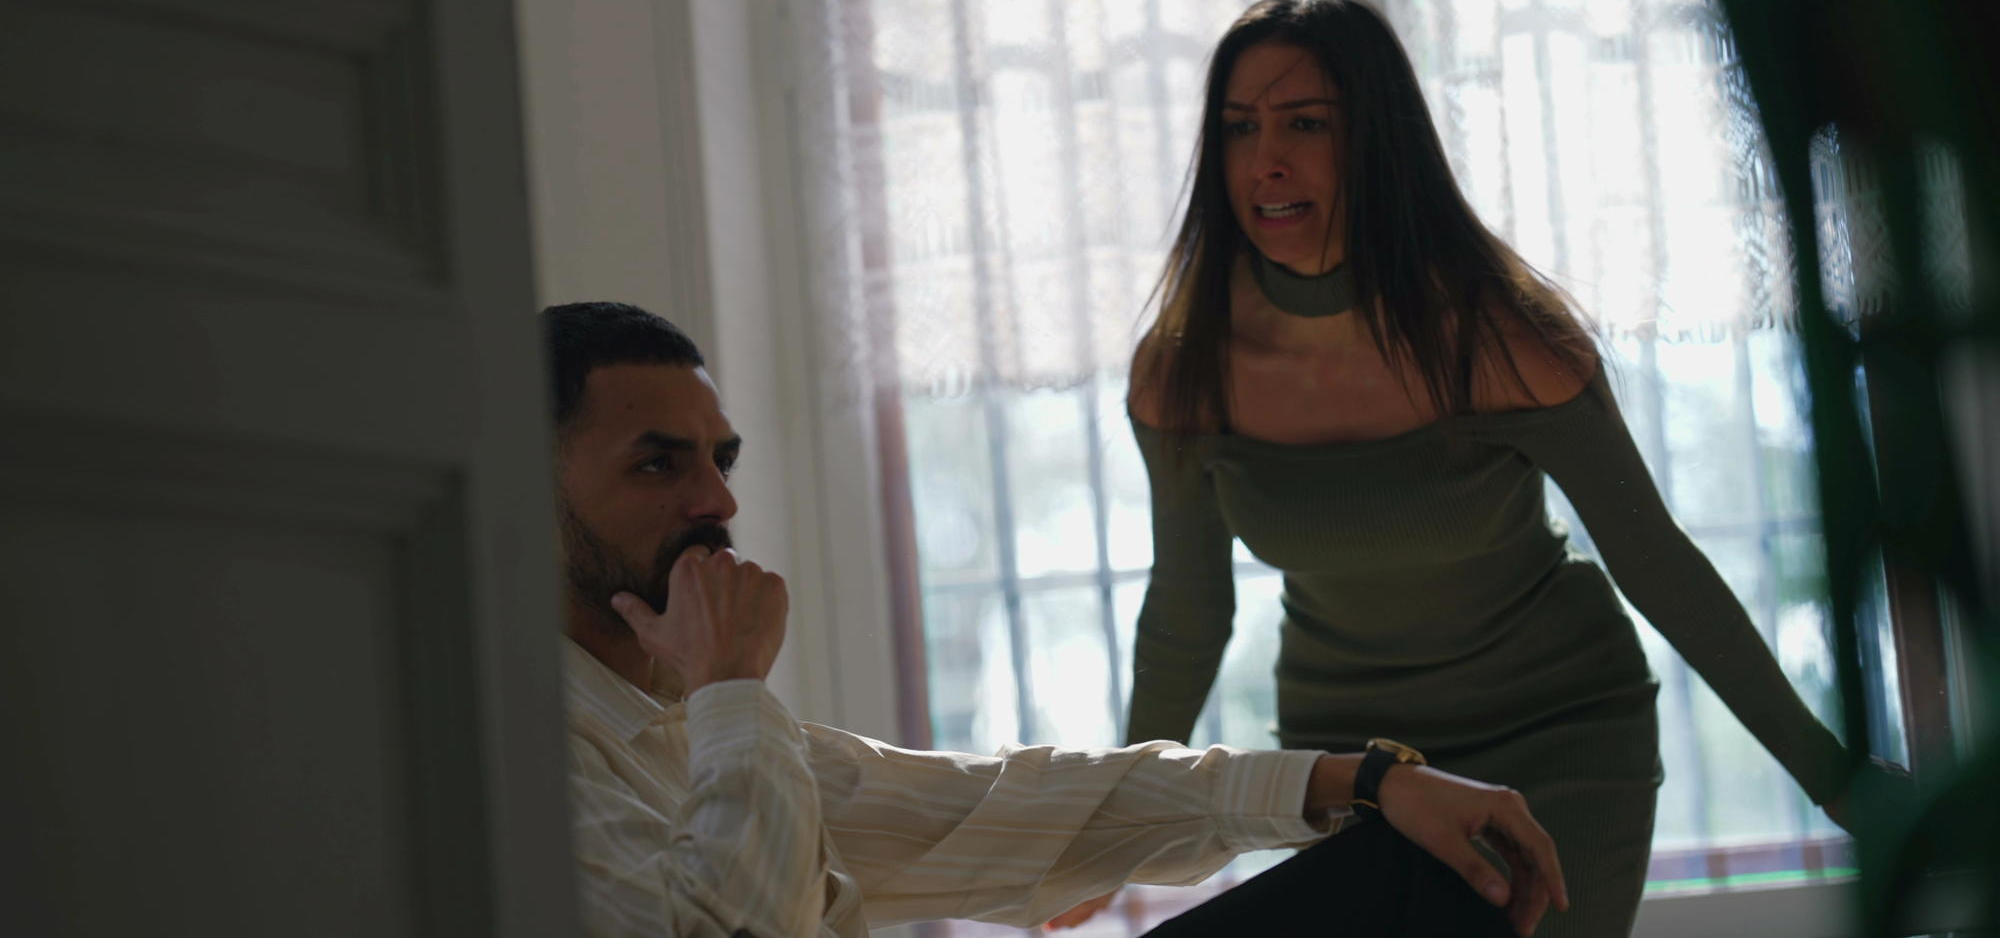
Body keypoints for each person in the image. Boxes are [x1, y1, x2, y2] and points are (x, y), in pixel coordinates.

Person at [1121, 0, 1855, 938]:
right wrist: (1108, 824)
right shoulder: (1184, 373)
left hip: (1557, 739)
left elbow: (1658, 565)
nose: (1265, 161)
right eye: (1236, 127)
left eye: (1305, 122)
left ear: (1377, 138)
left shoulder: (1501, 333)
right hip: (1359, 769)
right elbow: (1187, 611)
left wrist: (1831, 774)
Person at [544, 301, 1569, 938]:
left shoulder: (701, 738)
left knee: (1419, 867)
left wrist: (1372, 780)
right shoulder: (516, 765)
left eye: (719, 461)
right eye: (656, 462)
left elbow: (1013, 805)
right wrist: (729, 688)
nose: (717, 505)